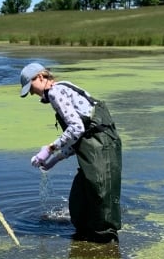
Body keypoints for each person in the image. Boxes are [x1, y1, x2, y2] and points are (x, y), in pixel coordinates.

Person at [19, 62, 122, 243]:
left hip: (102, 148)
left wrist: (49, 149)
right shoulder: (62, 87)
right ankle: (85, 240)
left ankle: (106, 246)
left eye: (31, 87)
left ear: (41, 77)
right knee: (79, 202)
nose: (32, 93)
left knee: (100, 199)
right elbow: (81, 136)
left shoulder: (55, 92)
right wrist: (55, 159)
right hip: (94, 148)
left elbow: (76, 128)